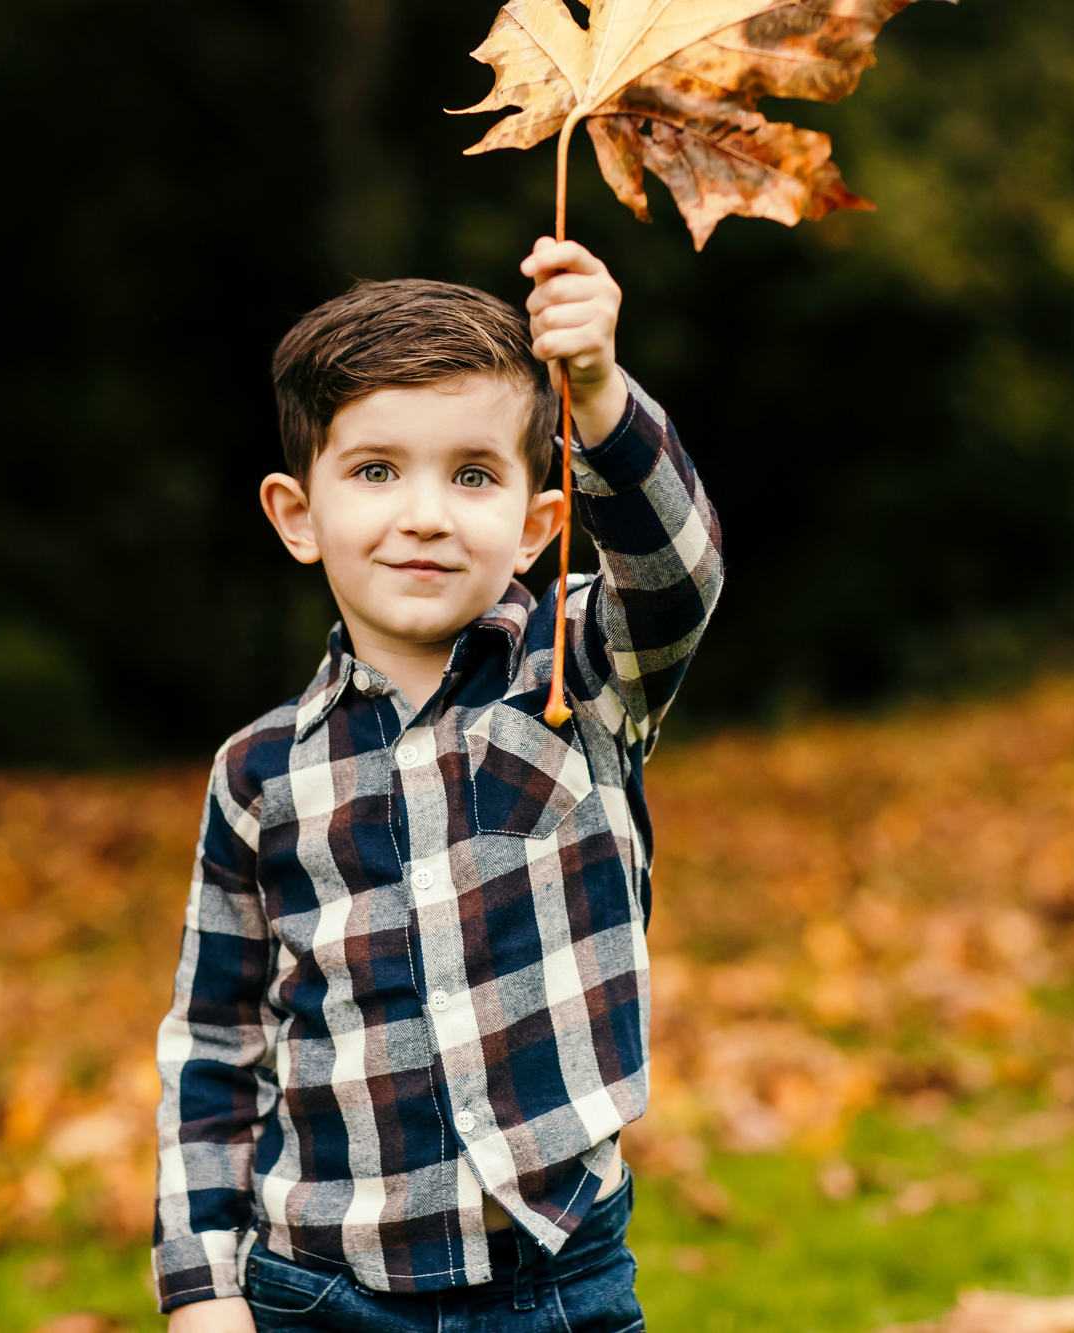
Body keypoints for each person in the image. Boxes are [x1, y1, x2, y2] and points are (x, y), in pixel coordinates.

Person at [153, 237, 724, 1332]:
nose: (423, 513)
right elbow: (214, 1046)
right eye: (375, 470)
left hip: (551, 1274)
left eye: (472, 475)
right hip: (316, 1284)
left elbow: (677, 570)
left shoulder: (579, 674)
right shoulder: (257, 774)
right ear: (295, 513)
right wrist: (201, 1288)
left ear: (536, 525)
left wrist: (597, 389)